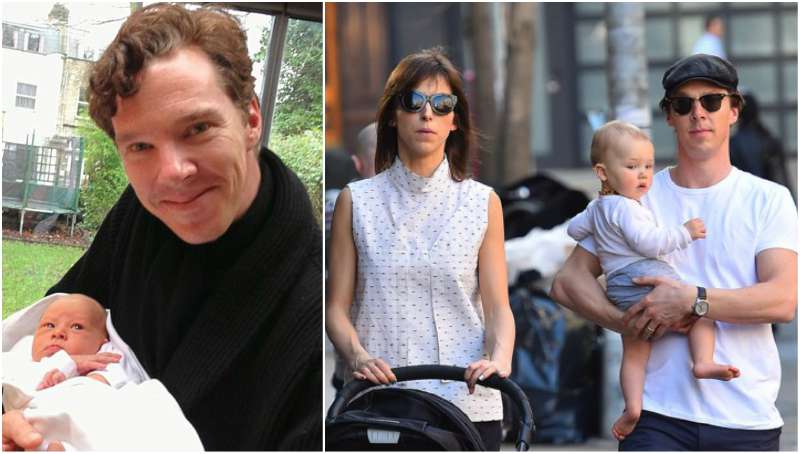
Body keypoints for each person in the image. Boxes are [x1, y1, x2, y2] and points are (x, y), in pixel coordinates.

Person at [2, 4, 321, 451]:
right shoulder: (139, 214)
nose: (171, 172)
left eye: (197, 128)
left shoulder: (314, 306)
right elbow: (50, 326)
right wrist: (12, 416)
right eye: (141, 146)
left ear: (250, 119)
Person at [551, 53, 796, 451]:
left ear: (733, 111)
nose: (698, 113)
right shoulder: (636, 195)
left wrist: (692, 300)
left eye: (711, 101)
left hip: (745, 416)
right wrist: (625, 321)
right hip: (656, 418)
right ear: (669, 117)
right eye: (683, 104)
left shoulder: (768, 199)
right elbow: (567, 283)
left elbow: (782, 300)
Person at [326, 48, 515, 450]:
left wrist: (500, 360)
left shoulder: (484, 203)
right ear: (393, 115)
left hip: (467, 401)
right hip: (378, 399)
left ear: (454, 122)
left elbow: (499, 307)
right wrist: (357, 356)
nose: (427, 114)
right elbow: (336, 310)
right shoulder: (356, 201)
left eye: (442, 104)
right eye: (413, 101)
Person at [566, 120, 740, 441]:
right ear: (603, 172)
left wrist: (599, 231)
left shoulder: (598, 207)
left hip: (618, 284)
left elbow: (573, 230)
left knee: (635, 350)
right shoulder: (626, 207)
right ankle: (703, 361)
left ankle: (633, 407)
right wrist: (685, 232)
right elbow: (650, 243)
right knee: (702, 309)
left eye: (648, 165)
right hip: (645, 274)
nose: (644, 174)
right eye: (632, 167)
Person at [730, 92, 793, 196]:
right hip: (770, 199)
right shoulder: (769, 139)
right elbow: (781, 178)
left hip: (745, 199)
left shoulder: (732, 143)